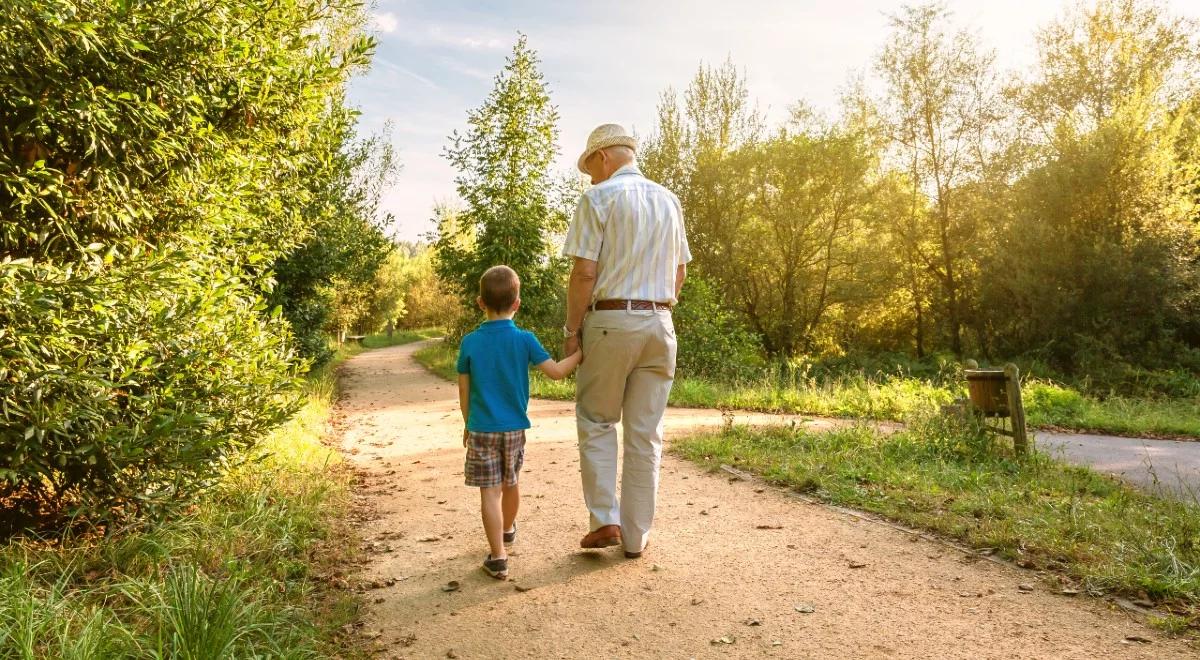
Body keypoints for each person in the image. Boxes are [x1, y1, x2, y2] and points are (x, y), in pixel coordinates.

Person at [561, 124, 691, 559]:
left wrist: (571, 331)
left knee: (598, 420)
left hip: (611, 322)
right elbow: (680, 272)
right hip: (660, 323)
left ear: (603, 158)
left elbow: (584, 272)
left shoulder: (599, 198)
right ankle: (636, 537)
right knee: (645, 433)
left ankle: (605, 520)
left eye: (590, 169)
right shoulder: (669, 200)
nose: (590, 178)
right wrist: (660, 304)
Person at [457, 265, 582, 579]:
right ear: (517, 303)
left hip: (482, 428)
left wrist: (467, 423)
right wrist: (581, 353)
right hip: (514, 428)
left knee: (489, 492)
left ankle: (498, 557)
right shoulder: (524, 339)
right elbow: (555, 372)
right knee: (510, 482)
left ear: (480, 302)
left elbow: (464, 389)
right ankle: (508, 528)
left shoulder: (470, 342)